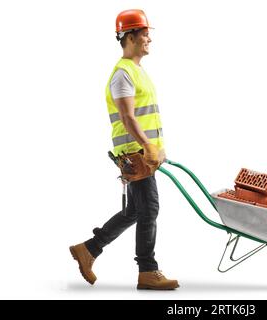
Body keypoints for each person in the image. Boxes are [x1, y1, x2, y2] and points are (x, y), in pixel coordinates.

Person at [69, 9, 179, 290]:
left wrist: (157, 148)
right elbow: (128, 118)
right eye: (144, 34)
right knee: (149, 209)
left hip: (143, 154)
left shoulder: (137, 71)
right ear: (130, 36)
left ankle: (89, 249)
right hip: (134, 154)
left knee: (134, 210)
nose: (149, 39)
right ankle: (147, 270)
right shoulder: (122, 74)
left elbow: (145, 116)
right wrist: (146, 146)